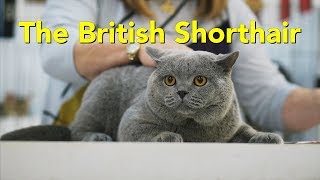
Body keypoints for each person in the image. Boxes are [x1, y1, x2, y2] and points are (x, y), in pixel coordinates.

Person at [40, 0, 320, 141]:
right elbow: (56, 49)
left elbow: (268, 99)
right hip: (86, 159)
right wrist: (138, 47)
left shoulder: (231, 12)